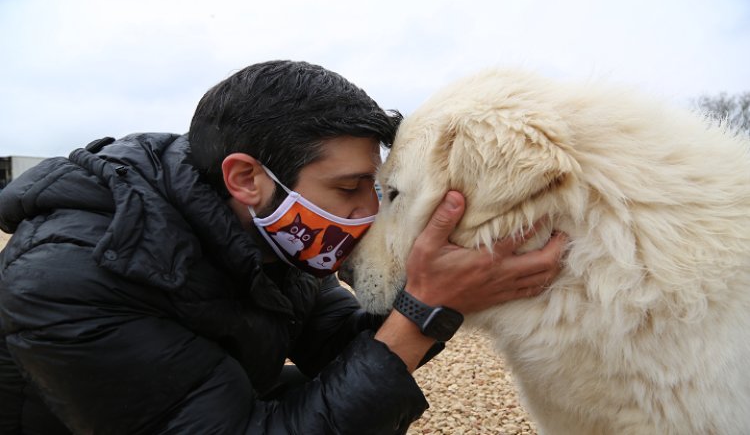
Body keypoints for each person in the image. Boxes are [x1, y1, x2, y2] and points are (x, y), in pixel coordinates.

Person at [0, 60, 566, 434]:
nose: (368, 213)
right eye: (347, 189)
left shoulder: (267, 232)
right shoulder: (68, 279)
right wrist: (419, 312)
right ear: (246, 176)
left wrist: (444, 285)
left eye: (375, 187)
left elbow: (345, 348)